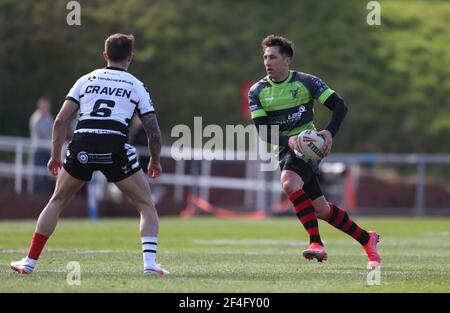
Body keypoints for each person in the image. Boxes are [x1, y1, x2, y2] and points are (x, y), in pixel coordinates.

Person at [11, 33, 169, 276]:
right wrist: (155, 160)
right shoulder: (136, 85)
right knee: (146, 205)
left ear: (105, 55)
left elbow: (61, 120)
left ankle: (29, 262)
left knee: (57, 201)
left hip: (82, 144)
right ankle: (150, 266)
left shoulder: (85, 80)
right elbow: (153, 131)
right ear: (131, 57)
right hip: (114, 146)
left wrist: (55, 155)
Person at [248, 35, 381, 269]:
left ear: (287, 60)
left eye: (273, 57)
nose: (267, 62)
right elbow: (263, 132)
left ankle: (316, 243)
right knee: (321, 209)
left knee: (289, 183)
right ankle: (366, 239)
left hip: (308, 148)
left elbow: (339, 106)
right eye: (265, 57)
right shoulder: (257, 91)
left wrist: (329, 132)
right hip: (287, 147)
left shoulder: (306, 82)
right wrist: (289, 140)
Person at [29, 97, 55, 192]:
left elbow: (54, 130)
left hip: (47, 149)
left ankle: (45, 192)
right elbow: (42, 132)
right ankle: (33, 192)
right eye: (45, 106)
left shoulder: (49, 117)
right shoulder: (36, 118)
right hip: (38, 149)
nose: (46, 108)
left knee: (46, 173)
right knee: (35, 173)